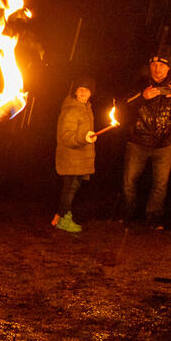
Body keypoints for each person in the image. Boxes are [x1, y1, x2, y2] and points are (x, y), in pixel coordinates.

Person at [121, 47, 171, 228]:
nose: (157, 69)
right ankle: (130, 214)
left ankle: (153, 217)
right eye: (154, 65)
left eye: (161, 65)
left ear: (169, 68)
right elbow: (123, 106)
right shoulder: (140, 83)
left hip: (164, 145)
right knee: (129, 180)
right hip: (138, 141)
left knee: (160, 184)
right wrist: (142, 96)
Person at [52, 78, 98, 233]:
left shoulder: (86, 108)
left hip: (79, 158)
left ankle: (59, 217)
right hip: (71, 158)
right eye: (80, 89)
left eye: (87, 89)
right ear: (75, 91)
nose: (84, 92)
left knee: (71, 188)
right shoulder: (72, 110)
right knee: (70, 189)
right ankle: (64, 220)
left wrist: (87, 137)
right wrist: (84, 138)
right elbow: (67, 137)